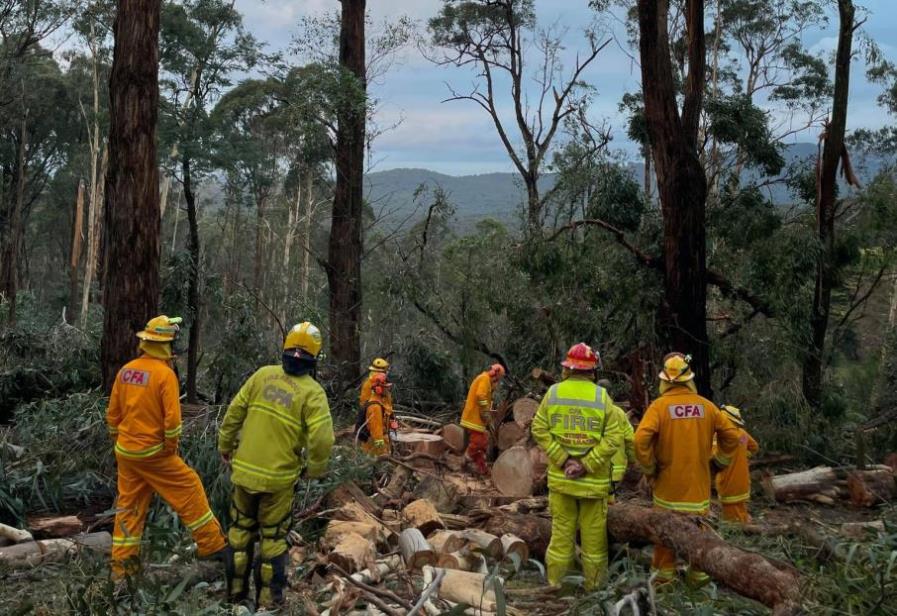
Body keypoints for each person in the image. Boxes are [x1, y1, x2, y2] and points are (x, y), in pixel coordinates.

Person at [218, 322, 334, 607]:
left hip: (244, 473)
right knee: (272, 539)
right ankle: (268, 605)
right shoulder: (313, 393)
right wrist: (315, 468)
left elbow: (234, 412)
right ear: (315, 357)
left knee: (239, 533)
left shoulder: (262, 376)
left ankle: (234, 598)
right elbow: (322, 439)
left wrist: (225, 445)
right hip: (279, 482)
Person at [106, 315, 226, 578]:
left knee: (129, 509)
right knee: (189, 486)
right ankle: (212, 544)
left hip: (126, 453)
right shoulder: (164, 374)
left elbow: (113, 416)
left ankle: (122, 570)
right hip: (153, 452)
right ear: (167, 343)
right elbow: (172, 422)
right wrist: (170, 449)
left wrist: (121, 441)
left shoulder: (126, 370)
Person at [633, 352, 740, 587]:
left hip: (667, 491)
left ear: (665, 380)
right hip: (697, 492)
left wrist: (650, 467)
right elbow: (732, 436)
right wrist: (719, 461)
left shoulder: (659, 407)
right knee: (698, 541)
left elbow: (640, 439)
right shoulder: (707, 407)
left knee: (664, 538)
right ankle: (698, 585)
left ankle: (662, 584)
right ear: (689, 379)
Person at [531, 343, 623, 590]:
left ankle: (557, 585)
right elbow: (615, 438)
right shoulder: (602, 397)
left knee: (561, 536)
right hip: (593, 485)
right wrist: (586, 464)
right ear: (592, 371)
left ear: (567, 369)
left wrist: (562, 459)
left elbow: (538, 428)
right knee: (594, 542)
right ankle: (595, 590)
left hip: (562, 482)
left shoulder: (553, 394)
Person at [714, 405, 759, 524]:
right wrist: (743, 455)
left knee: (732, 520)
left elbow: (712, 457)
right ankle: (745, 522)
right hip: (743, 480)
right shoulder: (742, 434)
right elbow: (754, 447)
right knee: (741, 507)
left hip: (728, 482)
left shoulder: (719, 437)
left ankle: (741, 530)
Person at [459, 363, 505, 475]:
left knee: (483, 443)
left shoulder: (486, 380)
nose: (497, 382)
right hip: (474, 417)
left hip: (477, 418)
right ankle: (465, 459)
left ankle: (481, 468)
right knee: (478, 441)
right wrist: (485, 413)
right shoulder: (484, 379)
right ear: (495, 374)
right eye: (497, 379)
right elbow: (480, 396)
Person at [598, 379, 637, 501]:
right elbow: (630, 439)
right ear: (612, 394)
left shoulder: (590, 411)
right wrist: (632, 460)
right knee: (609, 499)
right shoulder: (619, 413)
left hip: (594, 466)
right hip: (615, 468)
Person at [355, 372, 396, 456]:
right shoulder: (375, 407)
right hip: (374, 448)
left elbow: (388, 414)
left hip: (383, 442)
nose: (388, 390)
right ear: (379, 389)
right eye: (386, 387)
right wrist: (382, 452)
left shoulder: (381, 402)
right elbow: (377, 436)